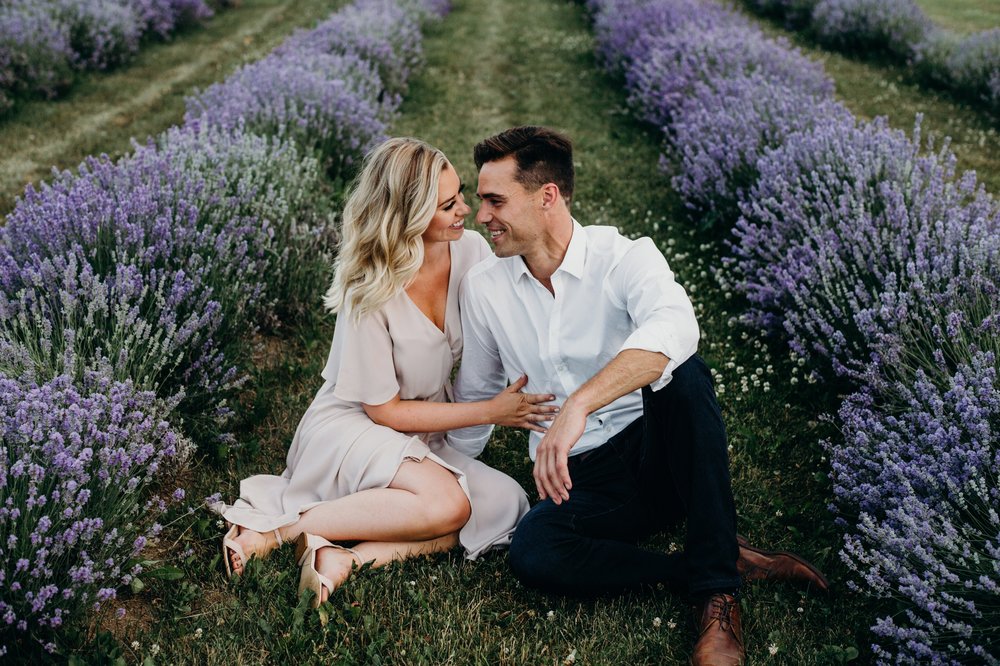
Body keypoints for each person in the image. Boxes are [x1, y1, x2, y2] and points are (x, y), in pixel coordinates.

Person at [447, 126, 829, 666]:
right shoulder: (484, 287)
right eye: (480, 199)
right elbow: (480, 395)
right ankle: (704, 560)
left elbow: (675, 326)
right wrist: (443, 480)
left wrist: (578, 403)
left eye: (495, 200)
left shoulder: (623, 257)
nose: (482, 215)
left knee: (685, 376)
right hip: (578, 480)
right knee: (533, 552)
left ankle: (717, 595)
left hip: (660, 457)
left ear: (547, 196)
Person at [213, 137, 557, 607]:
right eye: (447, 205)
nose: (466, 211)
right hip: (356, 426)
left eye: (461, 196)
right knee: (451, 506)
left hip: (424, 427)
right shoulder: (368, 289)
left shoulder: (472, 254)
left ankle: (340, 560)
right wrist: (490, 412)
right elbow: (385, 411)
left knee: (507, 504)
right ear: (409, 216)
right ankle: (277, 531)